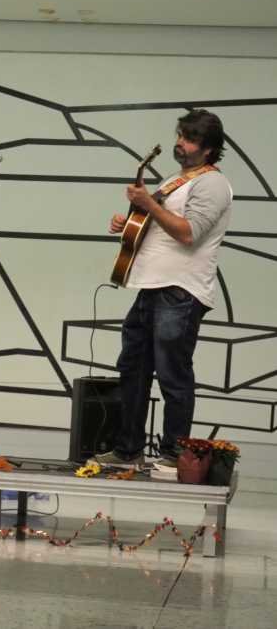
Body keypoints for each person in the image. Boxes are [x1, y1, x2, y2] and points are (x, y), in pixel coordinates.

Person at [96, 109, 232, 468]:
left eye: (190, 139)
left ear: (208, 149)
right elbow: (154, 225)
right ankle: (128, 450)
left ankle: (174, 453)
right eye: (180, 135)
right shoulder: (175, 181)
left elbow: (188, 233)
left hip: (181, 289)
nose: (180, 143)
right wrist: (128, 222)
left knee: (173, 374)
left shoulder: (213, 184)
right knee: (133, 369)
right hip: (151, 286)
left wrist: (147, 204)